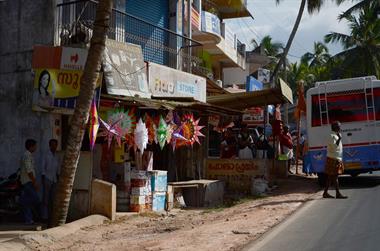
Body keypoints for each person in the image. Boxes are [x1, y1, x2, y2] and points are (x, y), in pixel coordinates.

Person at [323, 121, 347, 199]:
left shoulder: (336, 135)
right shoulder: (331, 135)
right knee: (334, 176)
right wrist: (339, 138)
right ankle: (338, 193)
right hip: (333, 158)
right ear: (335, 127)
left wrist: (339, 138)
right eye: (339, 126)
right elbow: (334, 146)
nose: (340, 128)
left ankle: (325, 193)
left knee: (330, 177)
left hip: (336, 158)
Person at [19, 139, 41, 224]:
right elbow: (29, 171)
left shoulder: (29, 155)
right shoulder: (27, 155)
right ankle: (22, 202)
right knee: (36, 199)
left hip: (28, 181)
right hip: (28, 182)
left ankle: (28, 219)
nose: (36, 147)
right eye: (35, 146)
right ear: (31, 146)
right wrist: (34, 182)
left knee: (28, 201)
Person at [41, 139, 60, 222]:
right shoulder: (46, 155)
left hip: (54, 179)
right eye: (52, 145)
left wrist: (58, 178)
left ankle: (52, 216)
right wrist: (43, 178)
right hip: (47, 178)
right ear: (49, 145)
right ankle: (45, 217)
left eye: (55, 145)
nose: (54, 146)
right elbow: (42, 167)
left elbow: (57, 168)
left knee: (53, 199)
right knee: (46, 199)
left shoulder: (57, 155)